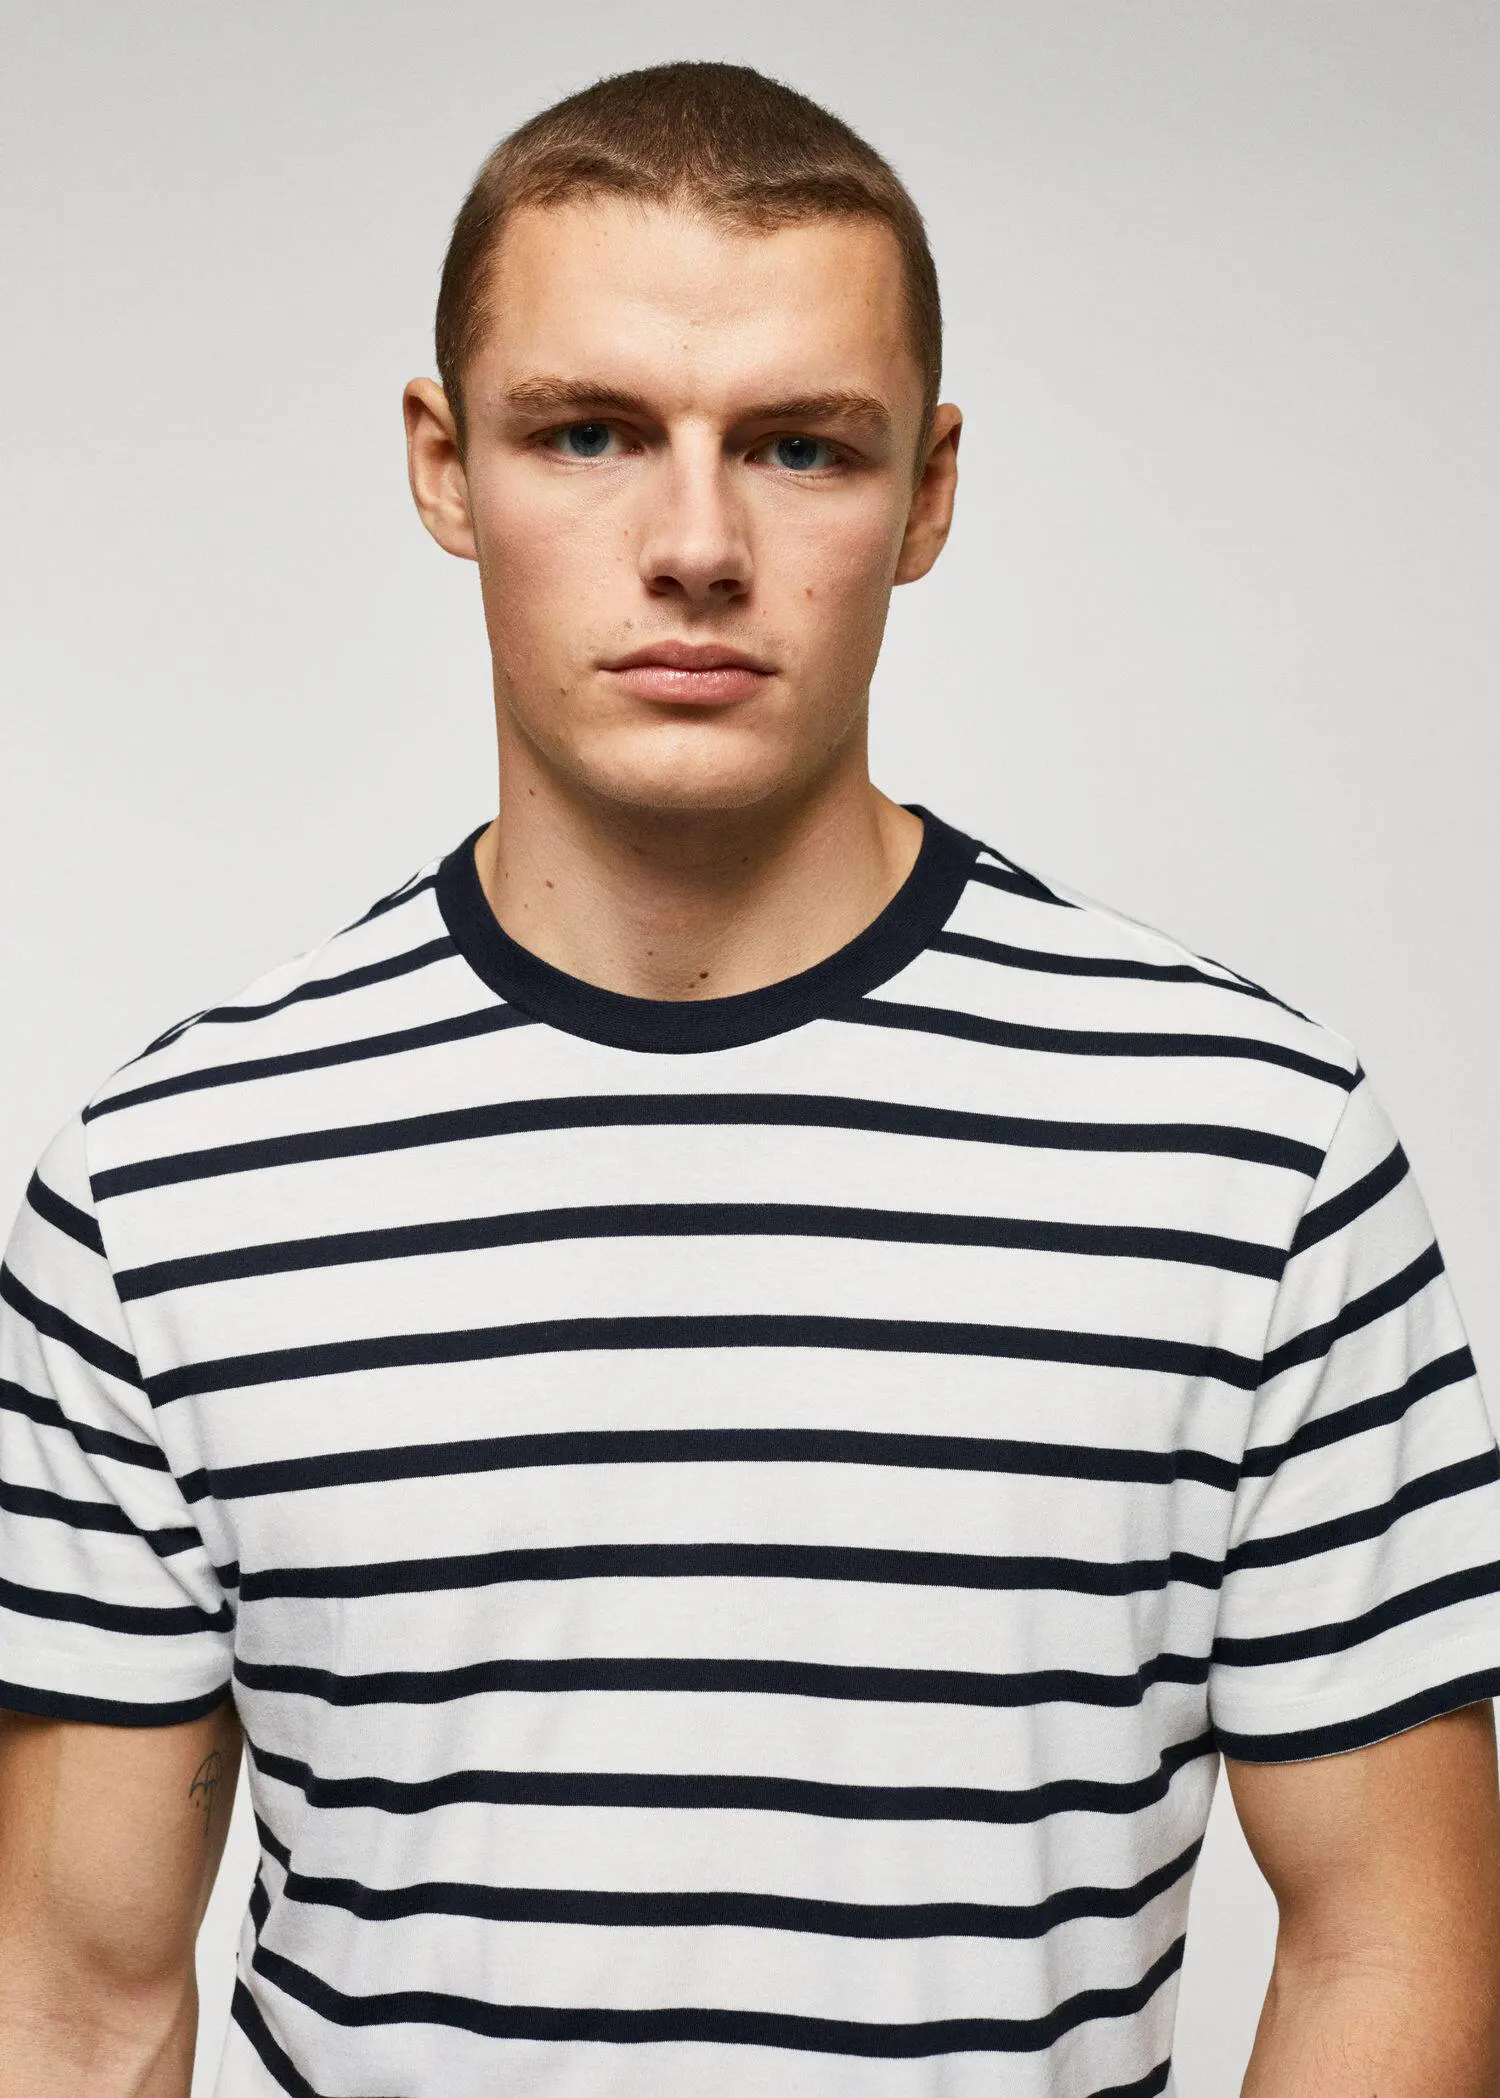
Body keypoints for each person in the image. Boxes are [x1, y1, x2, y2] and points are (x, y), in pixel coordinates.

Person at [1, 57, 1497, 2098]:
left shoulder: (1251, 1153)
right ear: (444, 463)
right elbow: (75, 2004)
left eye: (799, 447)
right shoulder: (167, 1188)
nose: (695, 542)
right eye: (590, 431)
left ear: (930, 492)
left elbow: (1397, 1934)